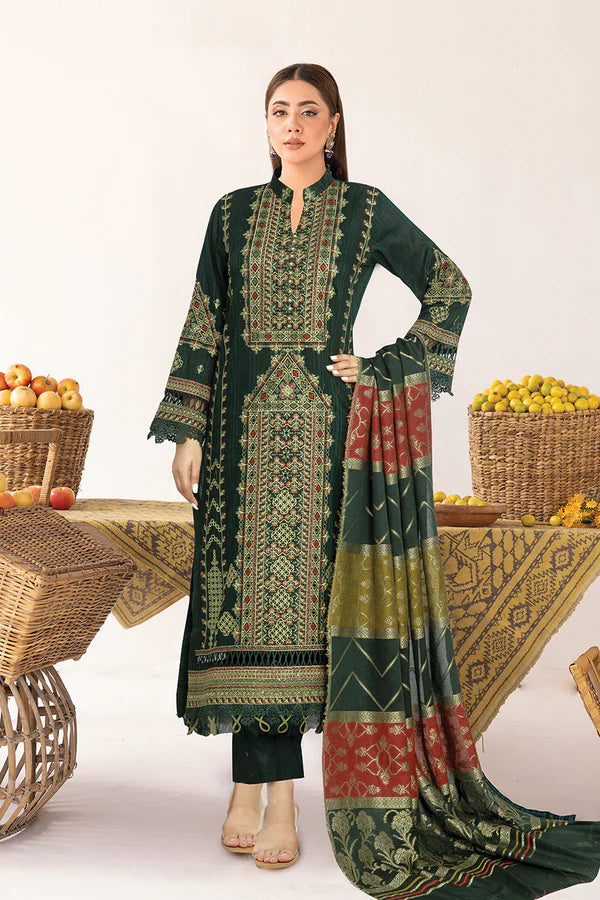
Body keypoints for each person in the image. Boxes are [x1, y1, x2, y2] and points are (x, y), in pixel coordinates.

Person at [148, 62, 600, 895]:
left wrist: (389, 364)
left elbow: (448, 285)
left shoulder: (362, 212)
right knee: (246, 608)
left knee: (306, 612)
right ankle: (253, 782)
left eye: (307, 112)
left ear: (334, 124)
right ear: (267, 124)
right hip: (239, 434)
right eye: (279, 111)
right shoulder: (231, 214)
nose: (292, 125)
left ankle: (282, 805)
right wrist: (184, 430)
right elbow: (204, 317)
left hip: (332, 438)